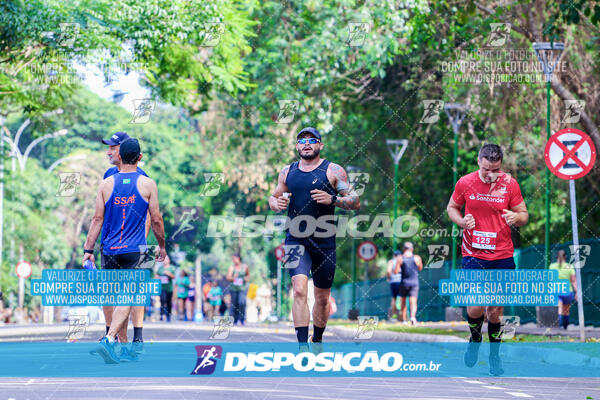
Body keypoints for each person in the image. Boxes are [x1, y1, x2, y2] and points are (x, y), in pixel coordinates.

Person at [268, 127, 360, 350]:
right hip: (294, 238)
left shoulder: (334, 171)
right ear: (297, 146)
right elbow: (274, 196)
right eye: (302, 141)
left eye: (312, 140)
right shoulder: (287, 172)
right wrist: (275, 203)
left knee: (322, 298)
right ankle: (302, 347)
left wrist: (333, 199)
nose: (306, 144)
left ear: (320, 145)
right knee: (299, 289)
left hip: (324, 241)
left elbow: (355, 201)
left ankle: (317, 339)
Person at [446, 143, 528, 376]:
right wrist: (461, 222)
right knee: (475, 307)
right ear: (479, 163)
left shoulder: (510, 184)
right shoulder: (465, 182)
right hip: (473, 254)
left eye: (495, 169)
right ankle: (474, 339)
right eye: (485, 170)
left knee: (494, 310)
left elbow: (523, 214)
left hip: (502, 255)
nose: (490, 174)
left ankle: (494, 356)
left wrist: (517, 217)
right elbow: (452, 207)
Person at [83, 138, 166, 363]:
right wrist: (162, 246)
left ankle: (121, 346)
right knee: (127, 297)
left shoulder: (105, 184)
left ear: (119, 157)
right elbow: (156, 219)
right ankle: (110, 339)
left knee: (115, 298)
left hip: (109, 250)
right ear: (139, 158)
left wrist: (88, 249)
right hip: (135, 252)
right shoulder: (148, 184)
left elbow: (97, 218)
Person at [101, 131, 151, 348]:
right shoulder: (108, 176)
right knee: (110, 293)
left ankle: (137, 335)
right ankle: (113, 336)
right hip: (110, 244)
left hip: (135, 244)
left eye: (113, 147)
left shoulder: (144, 178)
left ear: (123, 150)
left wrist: (140, 240)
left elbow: (151, 215)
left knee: (134, 292)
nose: (109, 151)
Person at [549, 250, 577, 330]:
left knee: (559, 308)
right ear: (565, 257)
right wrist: (577, 292)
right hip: (568, 292)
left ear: (557, 257)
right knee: (566, 310)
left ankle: (559, 326)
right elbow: (573, 280)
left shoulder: (552, 266)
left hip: (556, 290)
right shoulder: (570, 266)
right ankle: (565, 326)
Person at [397, 242, 423, 324]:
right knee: (413, 302)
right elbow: (420, 268)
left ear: (404, 249)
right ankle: (412, 317)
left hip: (404, 282)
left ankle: (404, 320)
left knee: (403, 302)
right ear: (412, 249)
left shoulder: (400, 258)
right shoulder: (417, 258)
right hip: (414, 282)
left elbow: (396, 271)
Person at [226, 253, 250, 325]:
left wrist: (246, 278)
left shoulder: (245, 267)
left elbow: (248, 275)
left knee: (242, 302)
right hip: (234, 289)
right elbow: (228, 277)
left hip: (242, 288)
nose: (233, 260)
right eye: (232, 259)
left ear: (238, 258)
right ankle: (235, 319)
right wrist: (233, 278)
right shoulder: (232, 267)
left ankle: (242, 319)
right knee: (235, 304)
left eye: (234, 259)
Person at [157, 255, 176, 322]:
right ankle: (162, 315)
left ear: (169, 260)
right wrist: (158, 277)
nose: (165, 260)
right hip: (162, 288)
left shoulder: (172, 268)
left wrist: (168, 273)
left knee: (168, 302)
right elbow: (157, 276)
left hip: (169, 288)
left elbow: (174, 277)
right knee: (162, 300)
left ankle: (168, 315)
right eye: (164, 259)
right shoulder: (160, 268)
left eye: (166, 259)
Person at [386, 250, 403, 321]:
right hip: (401, 281)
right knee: (402, 298)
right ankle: (402, 315)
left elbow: (388, 271)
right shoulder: (402, 261)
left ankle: (394, 316)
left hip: (393, 282)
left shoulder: (391, 262)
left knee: (394, 298)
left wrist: (388, 278)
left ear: (394, 255)